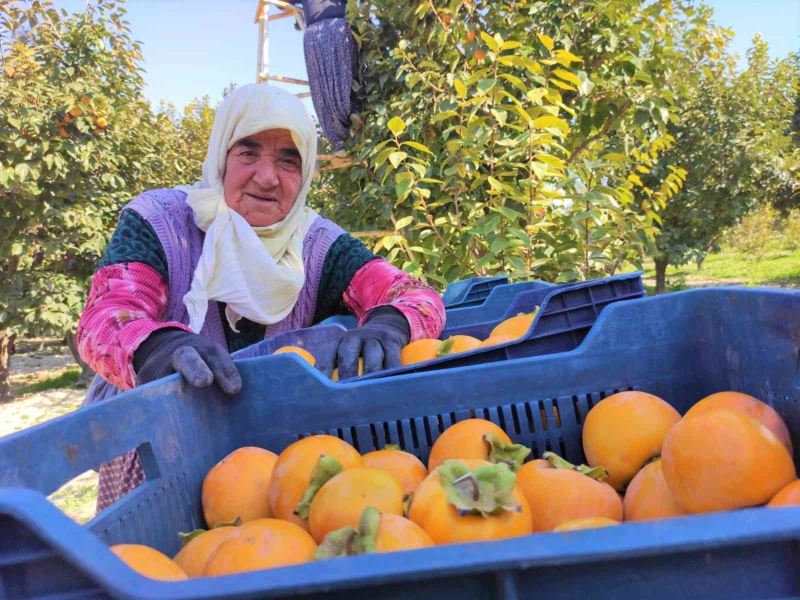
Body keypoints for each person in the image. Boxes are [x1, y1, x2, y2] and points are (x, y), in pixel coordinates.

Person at [76, 83, 444, 511]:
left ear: (304, 176)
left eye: (289, 160)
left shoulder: (315, 244)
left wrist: (390, 323)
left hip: (265, 470)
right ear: (221, 157)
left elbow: (413, 294)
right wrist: (156, 346)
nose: (268, 178)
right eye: (248, 153)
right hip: (157, 449)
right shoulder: (162, 222)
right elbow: (107, 316)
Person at [300, 0, 361, 153]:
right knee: (347, 72)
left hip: (313, 35)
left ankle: (338, 142)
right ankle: (353, 109)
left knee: (320, 88)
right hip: (339, 28)